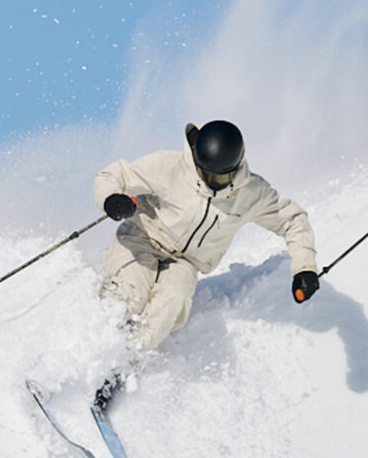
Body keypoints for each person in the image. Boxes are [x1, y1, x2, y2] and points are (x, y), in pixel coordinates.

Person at [91, 120, 318, 408]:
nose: (211, 184)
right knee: (127, 294)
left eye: (219, 180)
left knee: (170, 305)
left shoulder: (250, 192)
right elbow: (113, 174)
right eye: (204, 174)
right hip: (142, 239)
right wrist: (112, 199)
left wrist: (305, 268)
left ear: (235, 169)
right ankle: (84, 360)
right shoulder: (169, 166)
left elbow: (292, 220)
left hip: (185, 262)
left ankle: (115, 373)